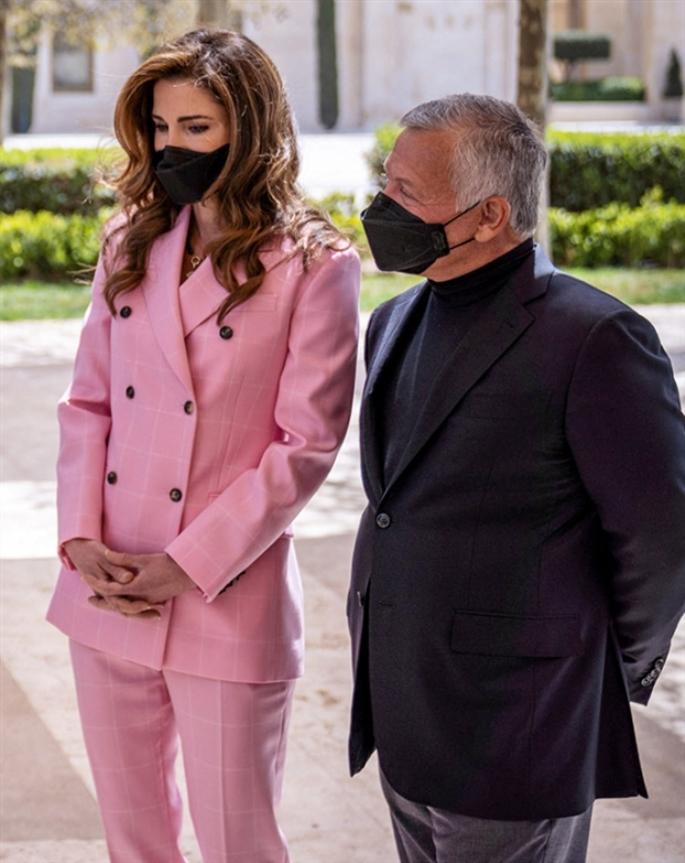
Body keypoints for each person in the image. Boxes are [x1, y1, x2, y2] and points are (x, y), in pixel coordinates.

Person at [46, 28, 359, 863]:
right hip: (108, 582)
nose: (170, 147)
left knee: (238, 844)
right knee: (133, 842)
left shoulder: (315, 263)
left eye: (196, 127)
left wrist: (185, 564)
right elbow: (87, 402)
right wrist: (79, 538)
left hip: (226, 592)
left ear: (248, 130)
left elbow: (305, 444)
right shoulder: (130, 238)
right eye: (160, 126)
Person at [347, 93, 685, 863]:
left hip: (519, 721)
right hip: (404, 703)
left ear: (489, 215)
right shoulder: (392, 321)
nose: (379, 207)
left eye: (405, 192)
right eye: (384, 182)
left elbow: (661, 533)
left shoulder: (596, 336)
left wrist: (595, 663)